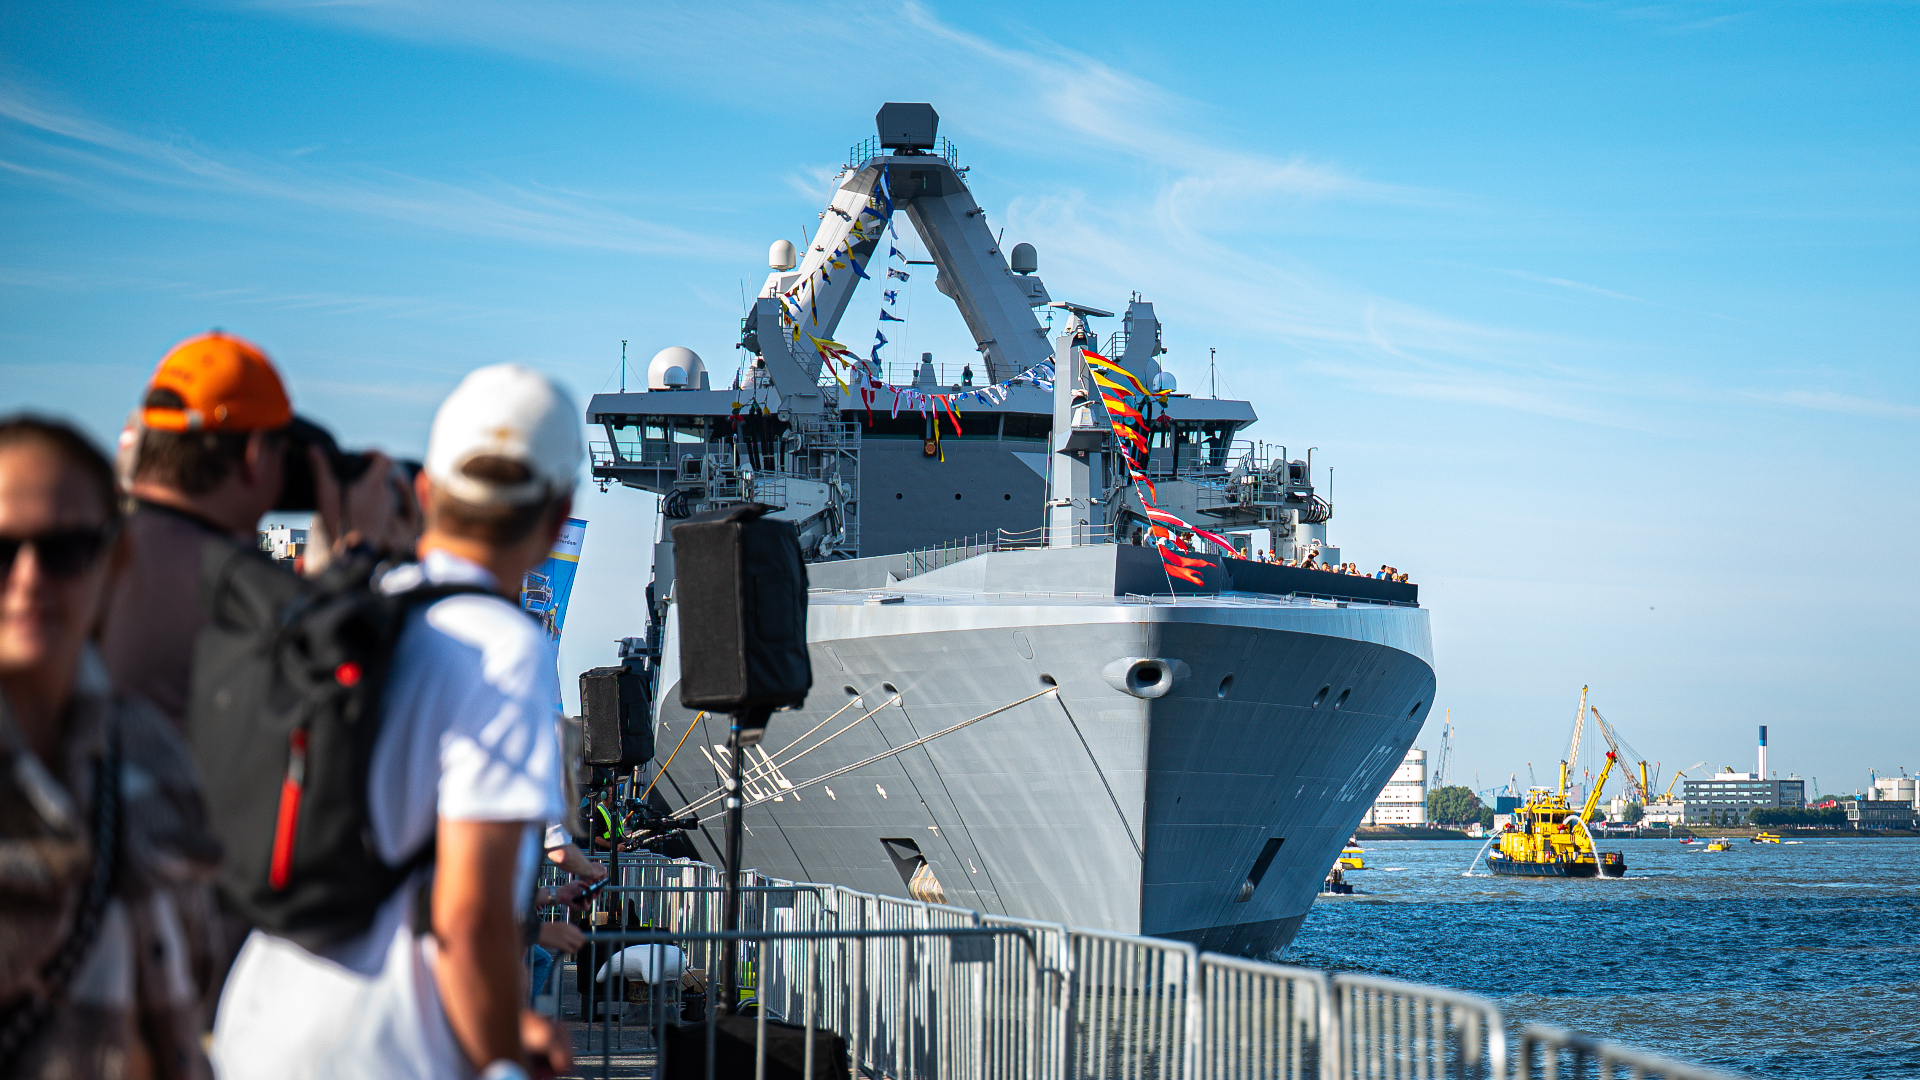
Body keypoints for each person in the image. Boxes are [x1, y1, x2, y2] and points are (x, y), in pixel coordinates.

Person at [211, 364, 581, 1080]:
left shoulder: (361, 612)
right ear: (556, 516)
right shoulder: (503, 651)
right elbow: (471, 915)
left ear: (427, 492)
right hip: (381, 1047)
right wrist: (503, 1061)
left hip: (260, 1017)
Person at [0, 416, 223, 1078]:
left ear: (116, 559)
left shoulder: (149, 749)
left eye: (66, 548)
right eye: (0, 549)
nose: (29, 577)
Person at [97, 332, 407, 728]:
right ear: (255, 454)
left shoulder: (77, 555)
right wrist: (360, 553)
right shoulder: (244, 589)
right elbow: (341, 705)